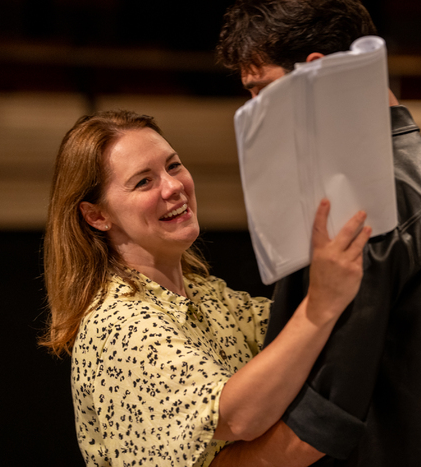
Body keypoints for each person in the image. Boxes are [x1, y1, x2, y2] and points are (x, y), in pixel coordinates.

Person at [215, 1, 421, 466]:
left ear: (313, 74)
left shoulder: (348, 207)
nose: (254, 113)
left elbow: (315, 429)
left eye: (260, 92)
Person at [40, 109, 372, 466]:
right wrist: (320, 308)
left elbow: (294, 344)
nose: (173, 186)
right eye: (143, 182)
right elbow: (236, 416)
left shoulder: (205, 294)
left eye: (173, 165)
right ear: (96, 216)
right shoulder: (118, 325)